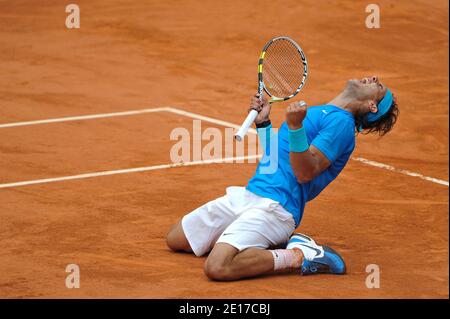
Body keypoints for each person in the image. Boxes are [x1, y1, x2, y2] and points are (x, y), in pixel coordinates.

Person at [166, 76, 399, 281]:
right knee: (176, 238)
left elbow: (305, 172)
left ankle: (300, 255)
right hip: (252, 194)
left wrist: (296, 126)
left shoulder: (341, 124)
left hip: (277, 208)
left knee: (218, 266)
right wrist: (264, 123)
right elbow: (277, 157)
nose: (374, 77)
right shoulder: (323, 111)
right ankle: (268, 241)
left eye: (379, 87)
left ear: (372, 106)